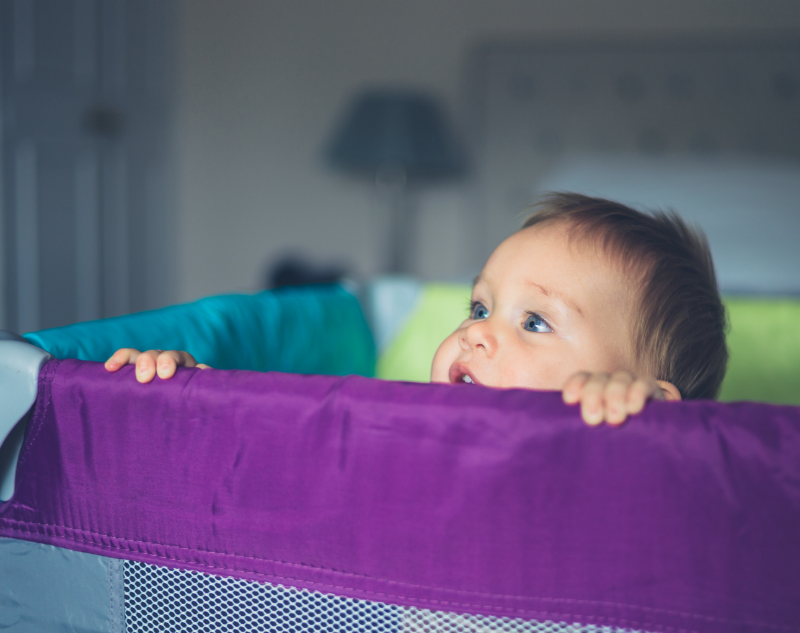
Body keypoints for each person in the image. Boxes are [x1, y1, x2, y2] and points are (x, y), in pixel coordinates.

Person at [105, 193, 728, 426]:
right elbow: (292, 441)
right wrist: (190, 394)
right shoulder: (405, 433)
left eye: (534, 322)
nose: (477, 332)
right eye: (480, 305)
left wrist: (638, 430)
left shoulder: (628, 477)